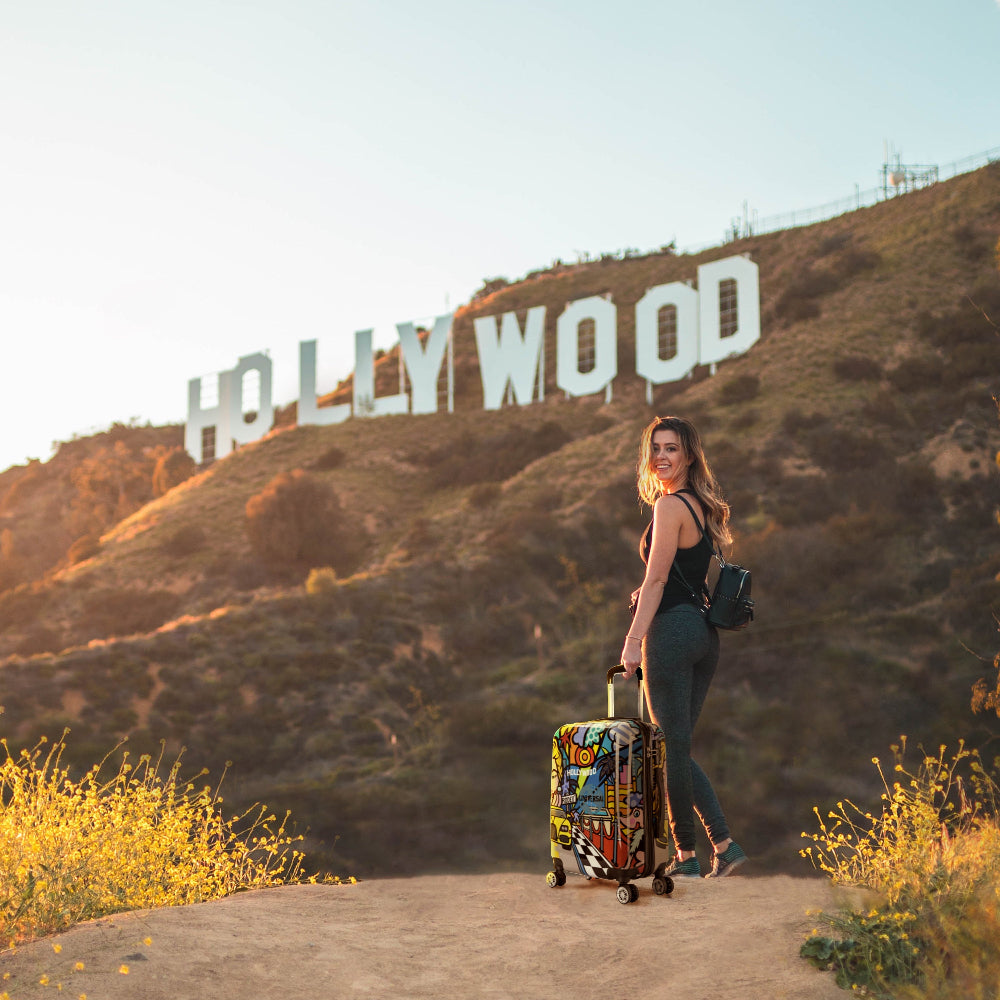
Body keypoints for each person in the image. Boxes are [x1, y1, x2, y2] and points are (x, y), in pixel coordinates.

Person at [619, 415, 747, 879]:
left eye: (670, 448)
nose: (660, 457)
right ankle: (721, 846)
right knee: (677, 747)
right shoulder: (701, 508)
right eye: (655, 448)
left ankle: (689, 856)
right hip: (702, 635)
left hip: (671, 635)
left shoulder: (669, 507)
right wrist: (648, 593)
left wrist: (633, 640)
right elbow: (678, 575)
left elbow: (657, 579)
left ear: (689, 455)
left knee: (669, 748)